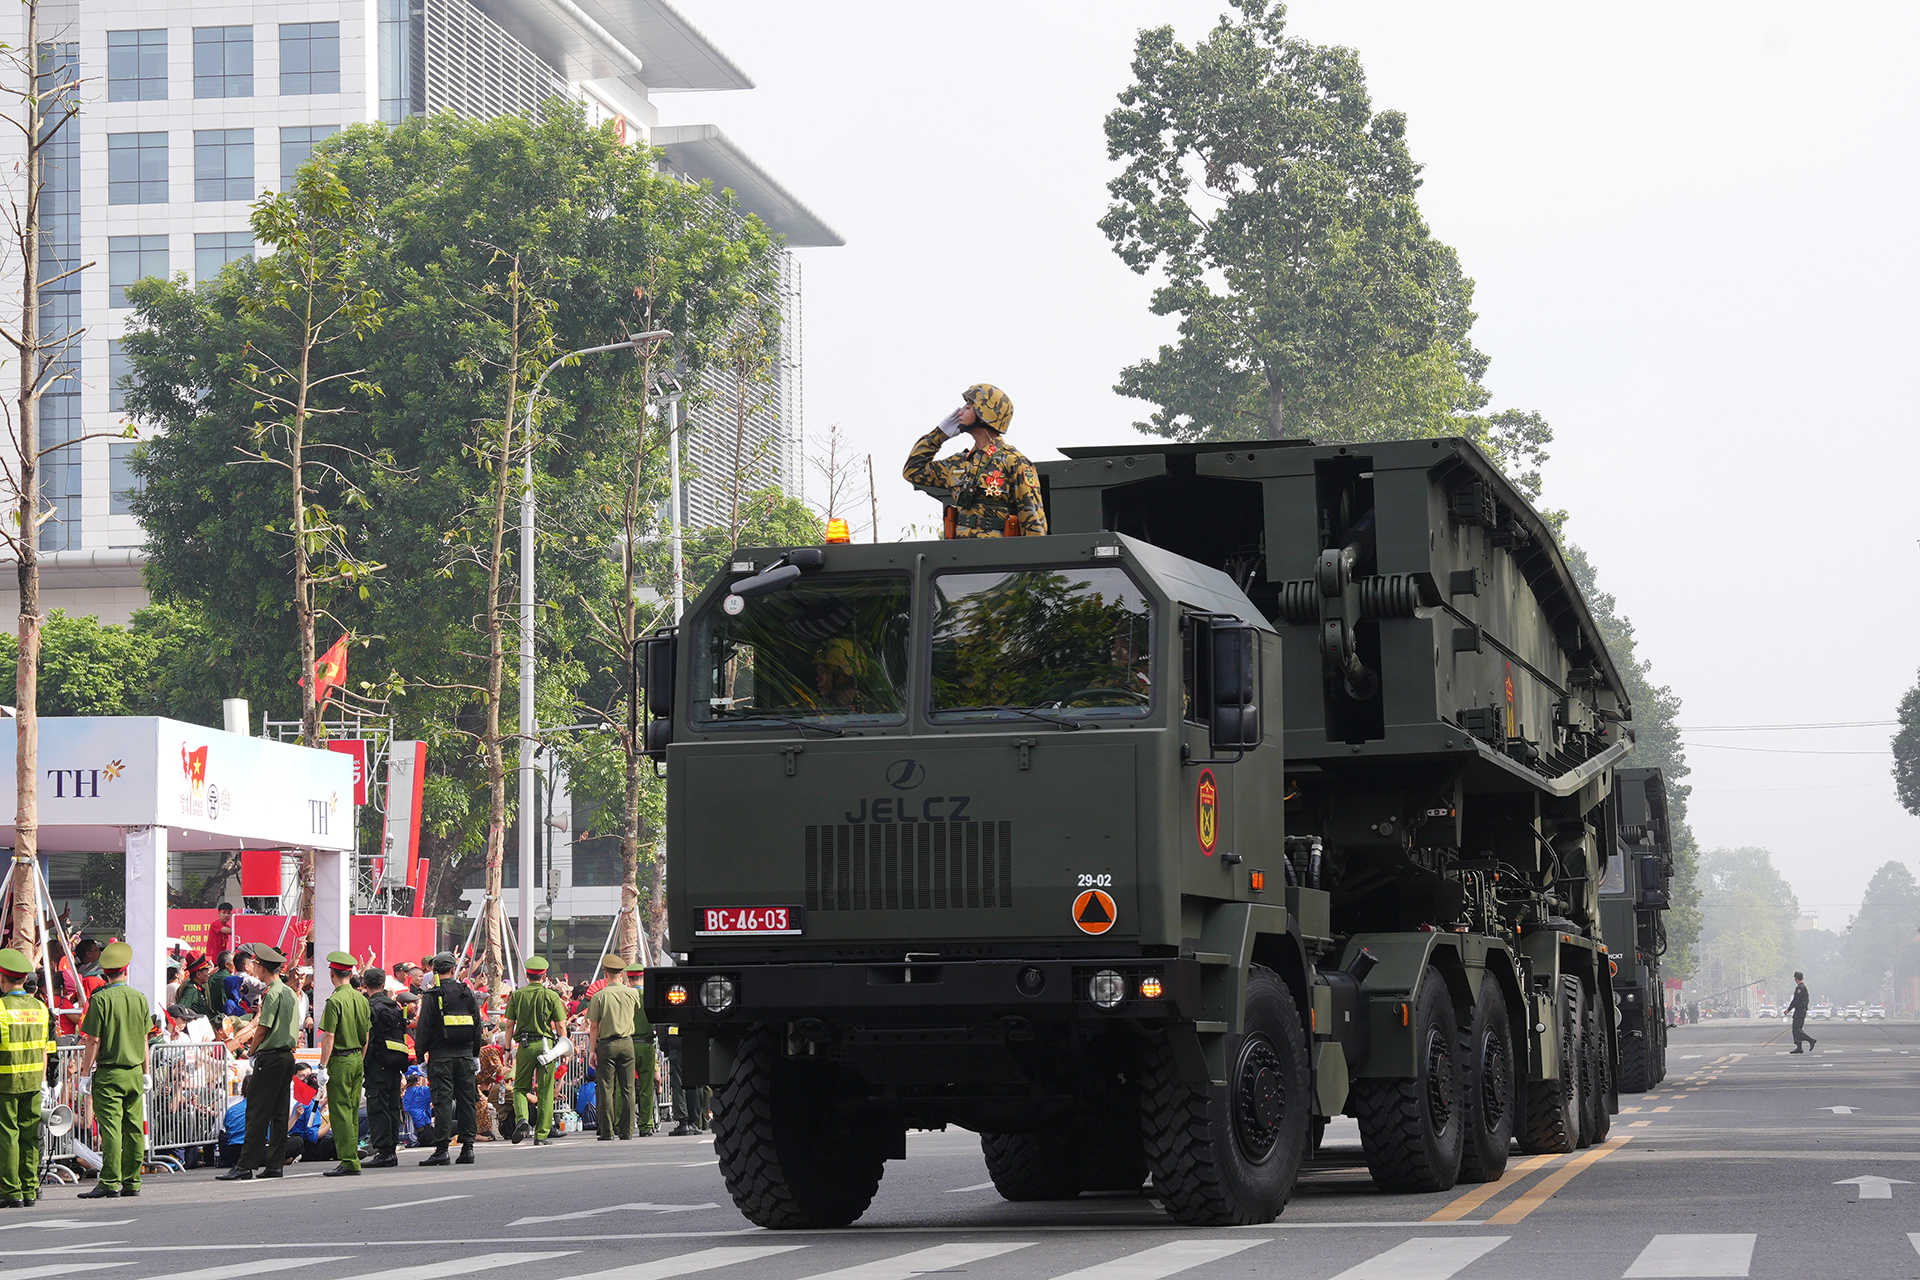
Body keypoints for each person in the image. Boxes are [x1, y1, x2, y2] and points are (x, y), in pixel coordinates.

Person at [902, 384, 1047, 539]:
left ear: (985, 414)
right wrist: (939, 434)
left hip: (1000, 554)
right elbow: (913, 471)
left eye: (969, 406)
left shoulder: (1014, 463)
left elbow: (1033, 522)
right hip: (960, 555)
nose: (961, 411)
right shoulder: (958, 463)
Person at [216, 944, 299, 1181]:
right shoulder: (289, 992)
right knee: (280, 1113)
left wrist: (252, 1051)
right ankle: (275, 1164)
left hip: (270, 1056)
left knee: (257, 1112)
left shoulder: (271, 993)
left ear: (262, 968)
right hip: (286, 1056)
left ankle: (245, 1166)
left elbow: (262, 1027)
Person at [76, 941, 150, 1200]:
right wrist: (146, 1071)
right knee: (134, 1129)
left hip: (109, 1073)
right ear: (126, 969)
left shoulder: (101, 999)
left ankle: (109, 1180)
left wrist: (85, 1074)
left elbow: (93, 1040)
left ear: (104, 972)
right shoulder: (139, 998)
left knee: (111, 1129)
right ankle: (132, 1180)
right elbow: (144, 1039)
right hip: (133, 1072)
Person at [414, 952, 482, 1166]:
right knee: (467, 1101)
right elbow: (477, 1026)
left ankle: (442, 1150)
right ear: (454, 970)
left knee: (442, 1102)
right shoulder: (466, 992)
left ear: (434, 972)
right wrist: (476, 1054)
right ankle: (468, 1148)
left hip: (441, 1057)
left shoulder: (432, 995)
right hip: (465, 1056)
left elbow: (423, 1029)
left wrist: (420, 1057)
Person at [0, 947, 53, 1208]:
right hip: (33, 1082)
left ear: (2, 979)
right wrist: (43, 1082)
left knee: (7, 1135)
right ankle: (30, 1188)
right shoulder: (40, 1008)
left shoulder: (1, 1007)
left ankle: (11, 1190)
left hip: (5, 1083)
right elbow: (45, 1047)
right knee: (30, 1134)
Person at [503, 956, 567, 1146]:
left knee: (520, 1088)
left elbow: (509, 1026)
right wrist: (563, 1051)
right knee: (546, 1091)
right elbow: (561, 1027)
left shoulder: (517, 995)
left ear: (527, 974)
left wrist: (507, 1049)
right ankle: (541, 1134)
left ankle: (522, 1118)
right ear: (544, 975)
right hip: (546, 1046)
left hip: (524, 1046)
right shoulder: (552, 996)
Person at [316, 951, 369, 1177]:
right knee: (352, 1109)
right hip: (357, 1057)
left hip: (340, 1059)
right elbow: (366, 1035)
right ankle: (352, 1155)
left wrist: (322, 1066)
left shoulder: (335, 1000)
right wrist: (361, 1060)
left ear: (332, 974)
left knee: (340, 1112)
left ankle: (349, 1160)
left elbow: (329, 1036)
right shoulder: (361, 998)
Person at [585, 955, 641, 1141]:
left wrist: (592, 1050)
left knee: (606, 1088)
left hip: (606, 1044)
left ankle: (607, 1130)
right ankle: (627, 1131)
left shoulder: (599, 996)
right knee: (628, 1089)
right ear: (622, 974)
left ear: (606, 974)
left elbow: (593, 1026)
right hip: (627, 1042)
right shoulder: (632, 993)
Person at [362, 966, 409, 1168]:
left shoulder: (369, 1007)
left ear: (365, 985)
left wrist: (363, 1065)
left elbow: (367, 1039)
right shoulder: (396, 1007)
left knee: (377, 1106)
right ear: (383, 985)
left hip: (377, 1063)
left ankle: (384, 1151)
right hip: (395, 1063)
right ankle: (391, 1148)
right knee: (392, 1106)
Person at [627, 963, 657, 1136]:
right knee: (646, 1087)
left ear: (628, 979)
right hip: (646, 1044)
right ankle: (646, 1125)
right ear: (643, 978)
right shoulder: (649, 995)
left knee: (625, 1087)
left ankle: (625, 1124)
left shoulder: (625, 995)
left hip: (628, 1043)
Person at [1788, 971, 1817, 1053]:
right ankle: (1799, 1047)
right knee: (1796, 1029)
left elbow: (1796, 1000)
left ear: (1795, 979)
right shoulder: (1802, 988)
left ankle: (1810, 1040)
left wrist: (1788, 1009)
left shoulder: (1800, 988)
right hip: (1801, 1010)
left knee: (1796, 1029)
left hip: (1800, 1011)